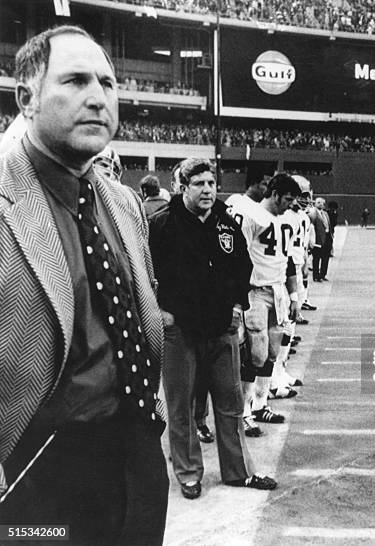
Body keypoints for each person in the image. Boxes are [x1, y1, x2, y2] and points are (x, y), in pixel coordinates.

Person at [0, 26, 168, 544]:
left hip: (136, 452)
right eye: (74, 80)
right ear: (26, 99)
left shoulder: (122, 203)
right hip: (40, 466)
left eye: (108, 83)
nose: (97, 97)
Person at [148, 158, 276, 499]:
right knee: (181, 405)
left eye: (211, 183)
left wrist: (237, 306)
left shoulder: (226, 223)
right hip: (180, 331)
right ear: (182, 187)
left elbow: (241, 268)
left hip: (221, 328)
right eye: (199, 184)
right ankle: (189, 473)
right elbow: (146, 272)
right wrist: (160, 311)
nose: (207, 190)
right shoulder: (161, 224)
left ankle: (238, 472)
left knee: (230, 402)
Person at [226, 173, 302, 432]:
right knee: (255, 354)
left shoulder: (288, 219)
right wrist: (236, 298)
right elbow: (236, 257)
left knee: (271, 352)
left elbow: (289, 261)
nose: (289, 205)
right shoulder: (251, 215)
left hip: (278, 290)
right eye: (287, 199)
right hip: (255, 291)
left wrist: (294, 296)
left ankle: (260, 405)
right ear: (275, 194)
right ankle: (243, 411)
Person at [310, 197, 332, 282]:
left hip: (327, 238)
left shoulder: (325, 213)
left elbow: (329, 225)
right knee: (316, 258)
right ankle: (316, 275)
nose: (320, 204)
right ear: (315, 204)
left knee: (325, 257)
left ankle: (323, 274)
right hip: (318, 239)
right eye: (318, 202)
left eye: (322, 203)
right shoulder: (313, 214)